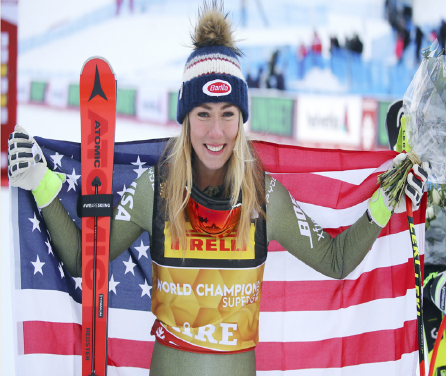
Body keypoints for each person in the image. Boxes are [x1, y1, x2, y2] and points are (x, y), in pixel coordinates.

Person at [7, 3, 430, 376]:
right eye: (203, 113)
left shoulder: (266, 196)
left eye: (228, 114)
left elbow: (336, 261)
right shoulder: (155, 188)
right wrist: (39, 182)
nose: (215, 131)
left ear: (242, 119)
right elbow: (86, 261)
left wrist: (386, 196)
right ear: (185, 117)